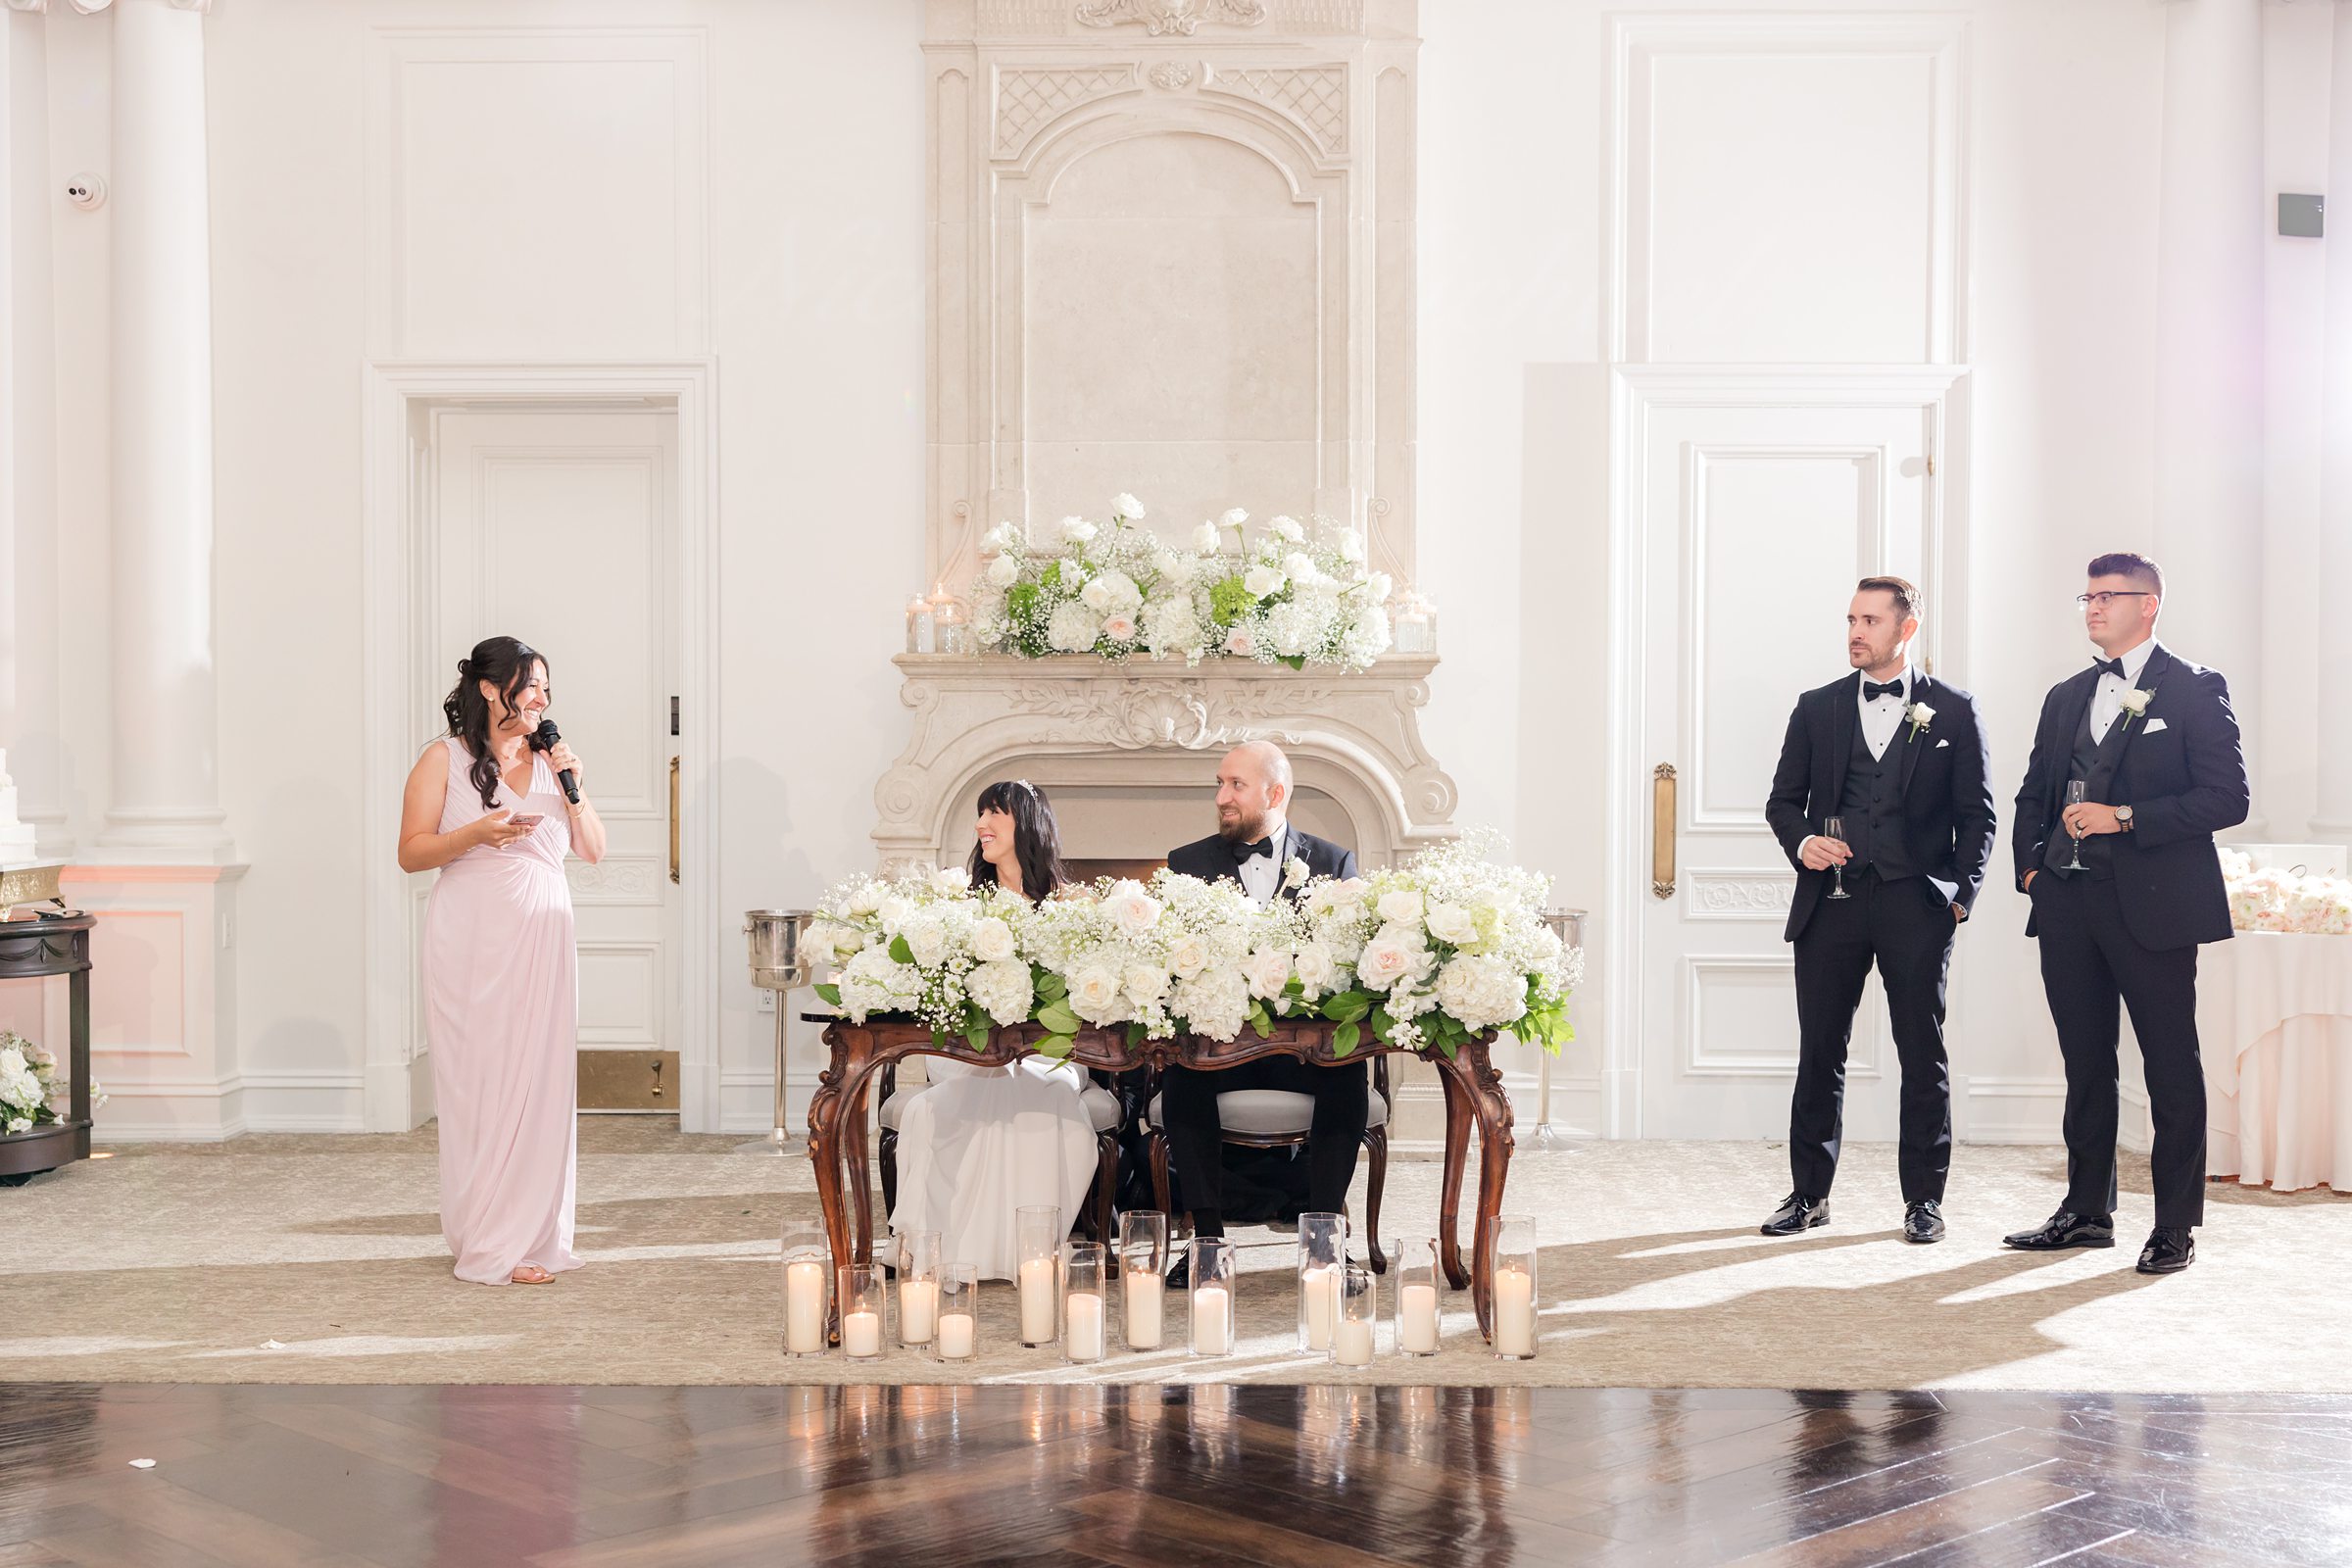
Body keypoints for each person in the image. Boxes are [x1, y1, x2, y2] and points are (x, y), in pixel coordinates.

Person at [2006, 553, 2247, 1275]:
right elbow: (2033, 793)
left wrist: (2126, 816)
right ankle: (2086, 1211)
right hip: (2067, 903)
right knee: (2085, 1063)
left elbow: (2227, 798)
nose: (2093, 607)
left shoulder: (2196, 688)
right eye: (2088, 596)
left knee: (2171, 1066)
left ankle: (2175, 1226)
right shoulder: (2066, 695)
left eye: (2108, 596)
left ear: (2149, 605)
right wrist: (2033, 873)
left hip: (2155, 907)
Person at [1760, 577, 1995, 1244]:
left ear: (1905, 628)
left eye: (1869, 620)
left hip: (1915, 905)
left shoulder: (1954, 710)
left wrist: (1956, 899)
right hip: (1830, 902)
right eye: (1851, 620)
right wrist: (1803, 842)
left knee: (1922, 1055)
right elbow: (1783, 801)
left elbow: (1978, 816)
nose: (1855, 633)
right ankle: (1809, 1194)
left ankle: (1924, 1200)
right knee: (1820, 1051)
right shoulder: (1818, 708)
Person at [398, 636, 606, 1286]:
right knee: (480, 1082)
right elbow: (410, 853)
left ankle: (532, 1235)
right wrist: (474, 835)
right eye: (530, 684)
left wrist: (573, 787)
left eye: (545, 687)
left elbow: (593, 849)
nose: (542, 698)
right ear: (491, 689)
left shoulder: (554, 761)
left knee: (540, 1082)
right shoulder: (443, 759)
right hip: (471, 937)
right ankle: (485, 1235)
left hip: (543, 935)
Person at [1158, 740, 1358, 1285]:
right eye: (1220, 784)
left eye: (1236, 785)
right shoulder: (1186, 864)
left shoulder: (1333, 863)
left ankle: (1326, 1244)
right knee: (1182, 1073)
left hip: (1301, 1050)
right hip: (1221, 1047)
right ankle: (1207, 1242)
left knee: (1347, 1072)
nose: (1222, 797)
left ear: (1275, 794)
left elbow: (1348, 959)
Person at [888, 781, 1099, 1281]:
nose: (981, 824)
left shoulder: (1073, 905)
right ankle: (944, 1248)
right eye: (980, 813)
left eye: (994, 813)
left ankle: (1024, 1248)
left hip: (1051, 1050)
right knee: (954, 1099)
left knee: (1041, 1095)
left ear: (1026, 823)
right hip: (970, 1050)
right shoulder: (962, 906)